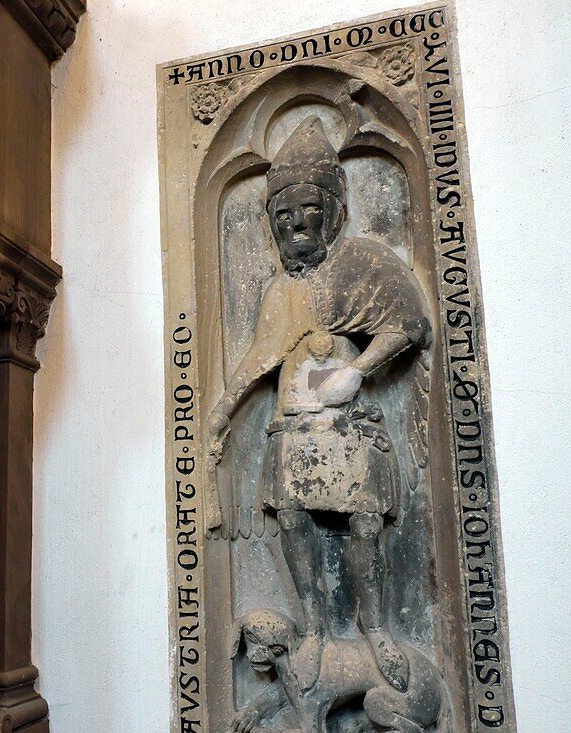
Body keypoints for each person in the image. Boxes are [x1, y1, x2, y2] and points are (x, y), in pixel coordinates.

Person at [206, 116, 431, 694]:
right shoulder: (280, 290)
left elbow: (406, 325)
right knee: (296, 523)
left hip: (348, 426)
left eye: (307, 210)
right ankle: (312, 629)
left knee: (363, 524)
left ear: (331, 211)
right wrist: (223, 410)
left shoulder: (361, 262)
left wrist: (357, 371)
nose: (294, 224)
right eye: (281, 216)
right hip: (293, 431)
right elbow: (261, 356)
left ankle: (376, 628)